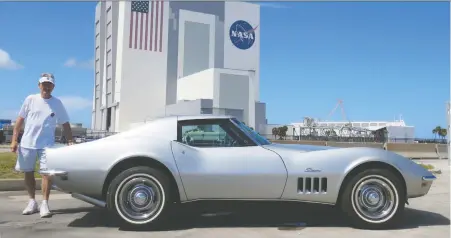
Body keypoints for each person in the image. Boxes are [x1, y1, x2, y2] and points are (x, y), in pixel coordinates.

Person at [10, 73, 74, 218]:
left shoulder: (57, 103)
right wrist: (14, 140)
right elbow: (19, 121)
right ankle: (32, 202)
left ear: (53, 86)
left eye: (49, 84)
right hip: (27, 143)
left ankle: (44, 203)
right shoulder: (30, 99)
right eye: (44, 84)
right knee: (28, 172)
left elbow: (65, 124)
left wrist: (70, 141)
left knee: (46, 174)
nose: (46, 87)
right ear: (39, 85)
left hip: (47, 145)